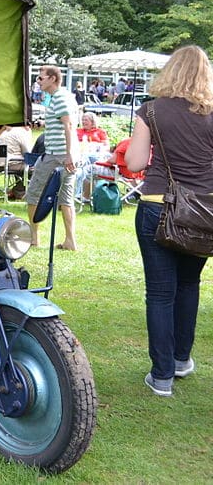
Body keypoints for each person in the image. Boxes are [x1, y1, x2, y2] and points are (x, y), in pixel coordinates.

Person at [125, 45, 213, 397]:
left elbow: (133, 163)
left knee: (160, 293)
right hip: (203, 212)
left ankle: (161, 377)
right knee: (189, 285)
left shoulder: (151, 111)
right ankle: (180, 360)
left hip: (156, 207)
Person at [25, 65, 78, 250]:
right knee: (66, 199)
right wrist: (43, 123)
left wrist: (68, 154)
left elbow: (68, 125)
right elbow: (60, 121)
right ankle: (70, 241)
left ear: (52, 79)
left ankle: (33, 238)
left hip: (58, 155)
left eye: (41, 78)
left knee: (33, 193)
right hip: (68, 155)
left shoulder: (60, 98)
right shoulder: (62, 97)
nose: (38, 82)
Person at [0, 125, 32, 199]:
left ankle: (18, 190)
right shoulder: (21, 133)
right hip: (7, 165)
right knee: (33, 168)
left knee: (20, 165)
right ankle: (18, 191)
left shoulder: (1, 132)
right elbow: (27, 153)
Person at [75, 112, 110, 200]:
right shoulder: (78, 131)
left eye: (86, 120)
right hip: (81, 156)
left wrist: (95, 145)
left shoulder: (100, 132)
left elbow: (106, 147)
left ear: (92, 121)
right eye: (82, 120)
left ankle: (81, 193)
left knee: (86, 164)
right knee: (83, 164)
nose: (83, 122)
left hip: (96, 157)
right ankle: (80, 192)